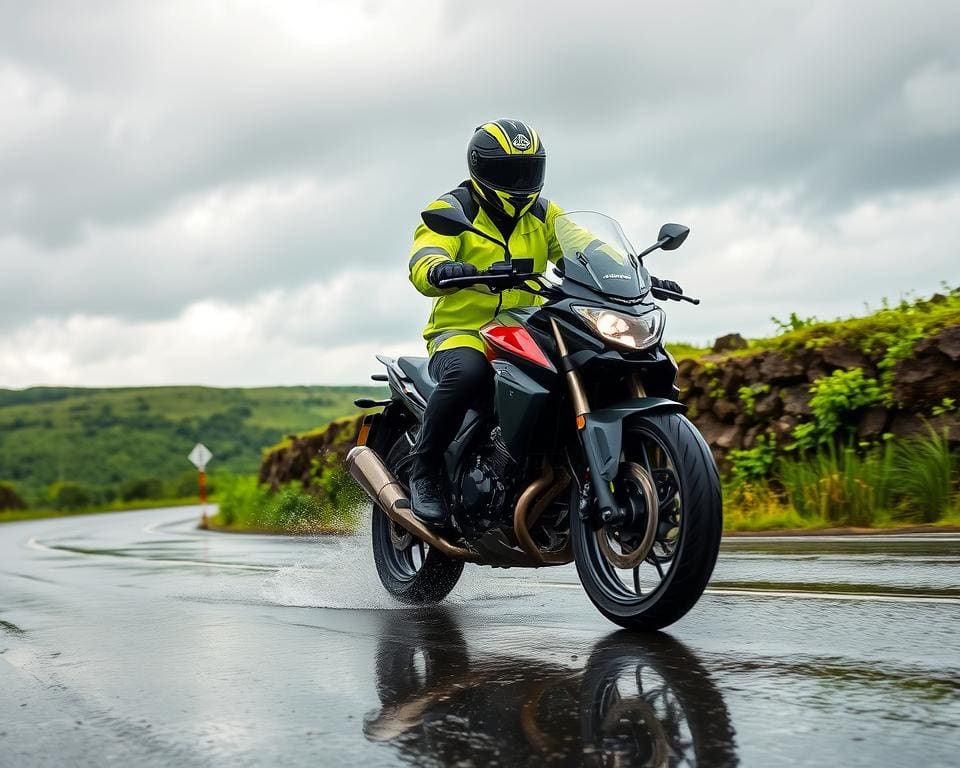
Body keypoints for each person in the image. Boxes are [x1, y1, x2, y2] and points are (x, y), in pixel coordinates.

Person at [406, 119, 683, 525]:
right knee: (468, 373)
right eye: (508, 172)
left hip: (526, 327)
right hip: (463, 332)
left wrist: (635, 273)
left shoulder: (543, 214)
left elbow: (587, 248)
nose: (520, 181)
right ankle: (424, 470)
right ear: (481, 169)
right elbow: (424, 254)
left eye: (528, 170)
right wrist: (440, 270)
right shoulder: (453, 211)